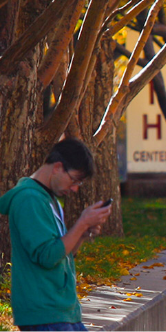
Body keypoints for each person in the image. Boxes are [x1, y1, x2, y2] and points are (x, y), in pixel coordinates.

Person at [0, 138, 112, 331]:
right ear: (58, 167)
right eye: (74, 180)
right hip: (44, 313)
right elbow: (47, 256)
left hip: (62, 311)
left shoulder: (49, 199)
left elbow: (62, 254)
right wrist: (81, 222)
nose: (75, 188)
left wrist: (82, 234)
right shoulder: (29, 199)